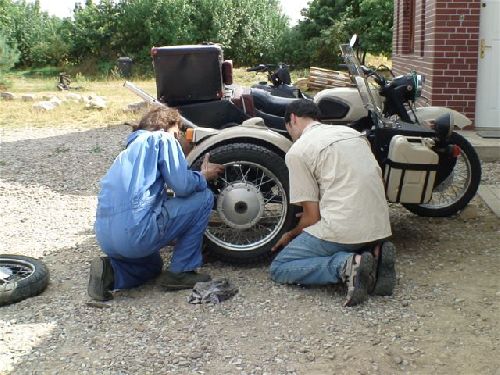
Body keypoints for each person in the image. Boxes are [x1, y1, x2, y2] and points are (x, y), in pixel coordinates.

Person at [88, 106, 223, 301]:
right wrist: (203, 176)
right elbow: (182, 186)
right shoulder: (162, 138)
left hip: (106, 237)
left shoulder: (128, 151)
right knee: (203, 199)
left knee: (153, 266)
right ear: (169, 126)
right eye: (178, 132)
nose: (179, 139)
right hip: (135, 233)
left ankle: (111, 272)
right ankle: (181, 271)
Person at [269, 100, 396, 307]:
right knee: (342, 227)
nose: (290, 135)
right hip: (379, 224)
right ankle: (376, 254)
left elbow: (312, 218)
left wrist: (290, 234)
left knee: (280, 267)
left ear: (292, 118)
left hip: (344, 229)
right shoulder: (353, 134)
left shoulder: (298, 150)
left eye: (288, 129)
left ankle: (346, 265)